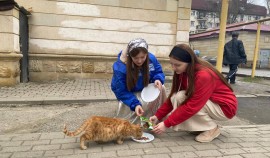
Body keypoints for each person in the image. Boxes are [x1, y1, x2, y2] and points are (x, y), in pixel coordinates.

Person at [149, 44, 238, 143]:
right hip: (210, 102)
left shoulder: (204, 75)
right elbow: (172, 98)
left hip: (225, 107)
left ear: (189, 62)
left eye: (177, 65)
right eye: (172, 64)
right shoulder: (182, 72)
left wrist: (166, 124)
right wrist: (157, 116)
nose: (173, 68)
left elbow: (193, 105)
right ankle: (201, 127)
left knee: (187, 102)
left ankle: (212, 129)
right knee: (177, 97)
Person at [111, 38, 167, 124]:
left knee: (161, 87)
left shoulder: (151, 59)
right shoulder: (120, 67)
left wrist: (157, 79)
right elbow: (121, 91)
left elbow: (158, 71)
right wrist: (135, 104)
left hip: (143, 89)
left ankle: (156, 118)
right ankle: (139, 123)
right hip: (128, 94)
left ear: (147, 54)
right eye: (136, 58)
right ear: (130, 56)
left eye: (143, 57)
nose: (140, 61)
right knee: (139, 107)